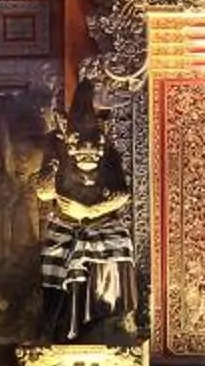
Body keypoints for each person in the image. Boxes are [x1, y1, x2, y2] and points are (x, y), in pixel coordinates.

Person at [33, 81, 136, 342]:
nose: (86, 153)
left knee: (119, 248)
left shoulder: (109, 157)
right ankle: (61, 327)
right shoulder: (58, 154)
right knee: (55, 258)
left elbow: (122, 194)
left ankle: (108, 319)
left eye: (92, 145)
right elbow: (44, 193)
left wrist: (90, 210)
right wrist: (52, 166)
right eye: (79, 144)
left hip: (103, 222)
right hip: (65, 225)